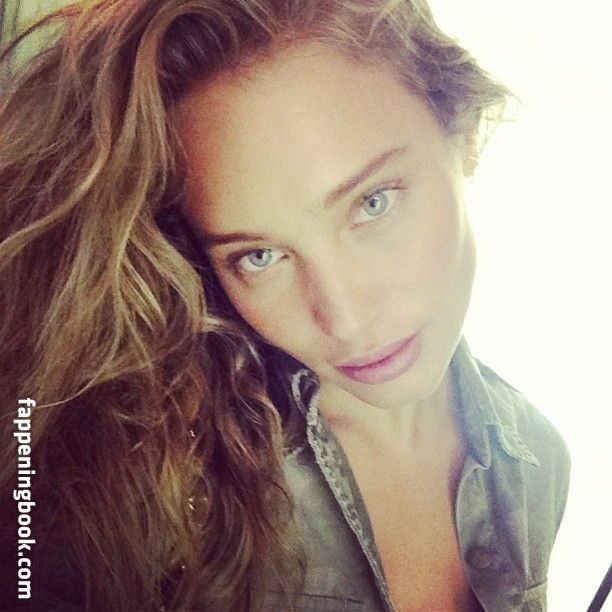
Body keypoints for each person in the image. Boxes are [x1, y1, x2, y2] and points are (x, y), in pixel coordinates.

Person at [0, 1, 570, 610]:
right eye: (260, 256)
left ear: (462, 132)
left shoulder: (535, 464)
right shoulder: (142, 494)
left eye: (372, 203)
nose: (344, 321)